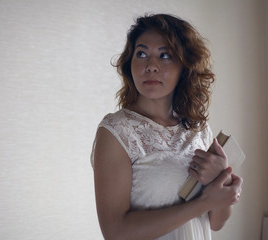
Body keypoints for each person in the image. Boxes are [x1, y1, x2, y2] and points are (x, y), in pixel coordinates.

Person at [91, 14, 243, 240]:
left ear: (185, 66)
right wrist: (203, 203)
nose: (151, 66)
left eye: (165, 55)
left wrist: (223, 178)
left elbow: (216, 222)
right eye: (141, 54)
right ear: (129, 63)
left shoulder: (199, 130)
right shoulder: (116, 131)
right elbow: (116, 232)